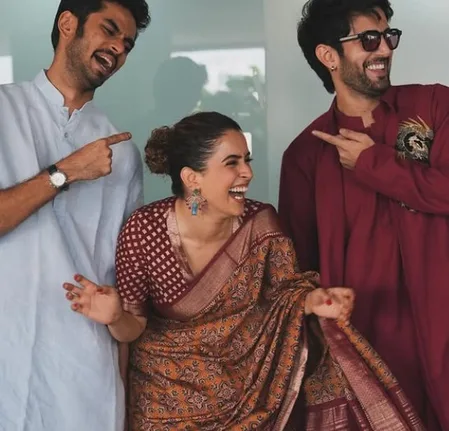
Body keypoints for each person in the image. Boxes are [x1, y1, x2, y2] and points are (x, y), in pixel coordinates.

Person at [64, 111, 423, 430]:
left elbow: (285, 296)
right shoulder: (144, 230)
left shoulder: (260, 223)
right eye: (232, 163)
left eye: (247, 160)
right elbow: (134, 328)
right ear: (192, 178)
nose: (247, 173)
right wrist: (114, 317)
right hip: (163, 401)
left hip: (249, 398)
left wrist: (315, 301)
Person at [278, 0, 448, 429]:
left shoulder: (432, 106)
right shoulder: (305, 155)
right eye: (369, 39)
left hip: (442, 326)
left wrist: (374, 164)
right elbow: (300, 270)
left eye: (389, 36)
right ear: (328, 55)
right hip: (365, 346)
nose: (385, 49)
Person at [0, 1, 150, 430]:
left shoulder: (122, 153)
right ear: (68, 24)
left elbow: (125, 283)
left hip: (80, 367)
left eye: (127, 44)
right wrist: (65, 172)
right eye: (109, 30)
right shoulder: (4, 110)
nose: (118, 48)